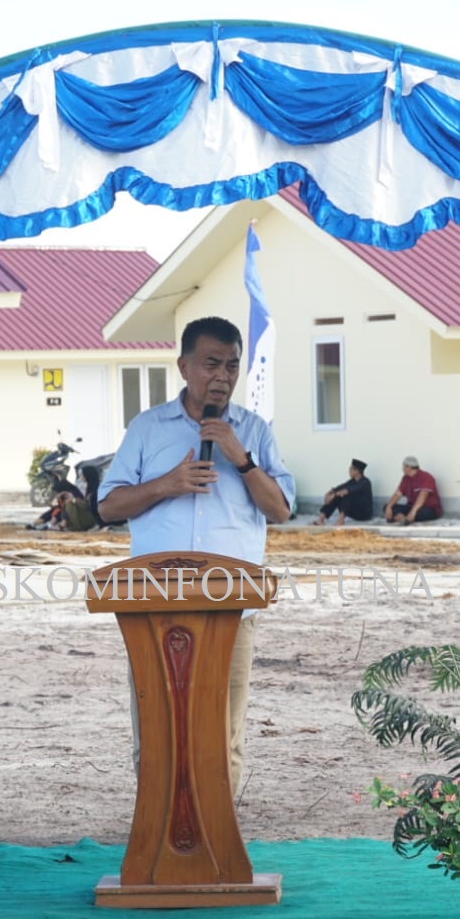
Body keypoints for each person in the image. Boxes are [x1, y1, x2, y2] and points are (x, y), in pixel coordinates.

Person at [97, 316, 295, 790]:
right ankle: (156, 845)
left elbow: (282, 509)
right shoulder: (147, 429)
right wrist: (167, 485)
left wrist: (240, 458)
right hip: (154, 605)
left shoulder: (254, 431)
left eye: (231, 365)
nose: (222, 376)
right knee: (157, 728)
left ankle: (217, 846)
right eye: (211, 364)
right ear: (184, 366)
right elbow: (106, 505)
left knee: (221, 734)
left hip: (231, 607)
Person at [313, 459, 374, 525]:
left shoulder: (365, 482)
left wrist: (334, 494)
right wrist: (330, 493)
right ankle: (320, 519)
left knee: (346, 494)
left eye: (350, 469)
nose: (349, 471)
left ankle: (341, 521)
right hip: (354, 512)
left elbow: (348, 490)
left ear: (357, 471)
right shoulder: (352, 481)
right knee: (337, 495)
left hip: (363, 514)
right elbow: (340, 487)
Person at [384, 456, 442, 524]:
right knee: (386, 507)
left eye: (403, 466)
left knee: (422, 513)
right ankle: (403, 519)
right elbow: (398, 494)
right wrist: (389, 506)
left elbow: (422, 497)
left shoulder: (426, 477)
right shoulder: (405, 478)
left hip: (428, 509)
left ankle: (402, 518)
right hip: (411, 507)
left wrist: (412, 512)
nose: (402, 468)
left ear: (408, 467)